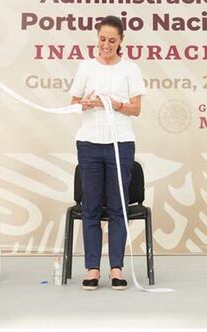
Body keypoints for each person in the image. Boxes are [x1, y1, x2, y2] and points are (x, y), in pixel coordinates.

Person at [68, 15, 145, 291]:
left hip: (120, 144)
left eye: (112, 40)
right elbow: (74, 102)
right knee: (90, 207)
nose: (106, 45)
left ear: (121, 41)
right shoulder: (86, 66)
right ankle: (91, 268)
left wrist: (115, 104)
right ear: (97, 38)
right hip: (89, 144)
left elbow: (136, 108)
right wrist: (86, 104)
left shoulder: (130, 69)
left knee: (117, 207)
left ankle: (116, 268)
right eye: (102, 39)